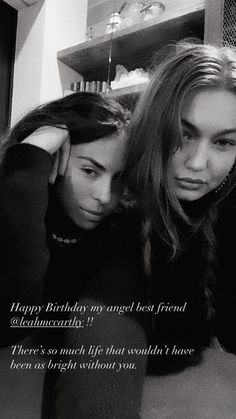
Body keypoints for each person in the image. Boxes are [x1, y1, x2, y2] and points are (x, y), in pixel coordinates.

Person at [0, 92, 147, 418]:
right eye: (90, 171)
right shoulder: (16, 200)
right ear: (54, 160)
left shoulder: (120, 232)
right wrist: (28, 159)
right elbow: (13, 312)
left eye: (118, 178)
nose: (104, 196)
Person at [126, 43, 236, 374]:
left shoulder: (227, 210)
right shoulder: (109, 206)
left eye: (224, 142)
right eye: (183, 133)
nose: (198, 162)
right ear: (153, 125)